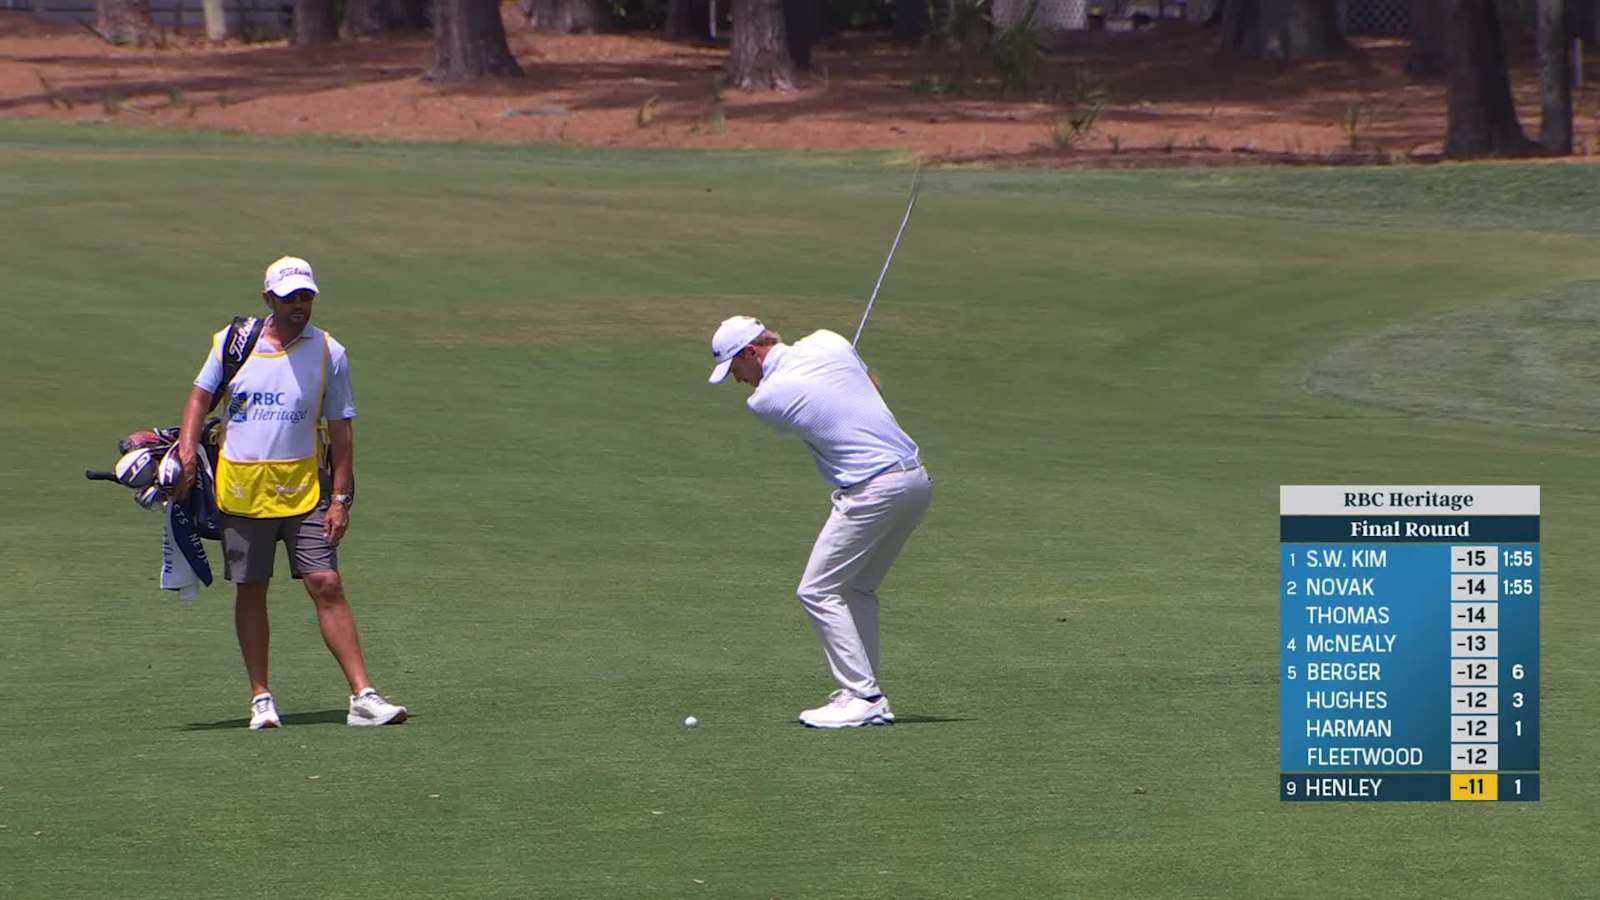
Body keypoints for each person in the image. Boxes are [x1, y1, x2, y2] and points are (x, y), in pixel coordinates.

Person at [174, 256, 407, 730]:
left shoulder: (328, 352)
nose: (300, 306)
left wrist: (341, 498)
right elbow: (200, 397)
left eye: (306, 297)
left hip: (304, 490)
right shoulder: (233, 343)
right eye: (289, 298)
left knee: (327, 583)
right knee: (252, 588)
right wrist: (184, 454)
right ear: (268, 300)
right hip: (241, 490)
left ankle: (363, 696)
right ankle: (261, 697)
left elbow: (342, 430)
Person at [708, 316, 933, 728]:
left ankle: (865, 697)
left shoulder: (765, 401)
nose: (739, 381)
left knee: (816, 590)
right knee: (857, 589)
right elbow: (871, 385)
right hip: (915, 482)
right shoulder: (830, 340)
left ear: (750, 353)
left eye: (735, 369)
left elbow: (798, 397)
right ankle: (861, 690)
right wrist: (846, 366)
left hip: (873, 490)